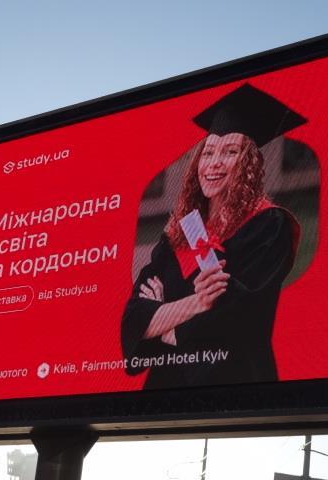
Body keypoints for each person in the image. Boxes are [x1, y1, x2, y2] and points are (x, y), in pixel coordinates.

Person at [121, 84, 305, 389]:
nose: (214, 162)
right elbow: (134, 318)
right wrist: (199, 303)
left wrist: (164, 322)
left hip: (234, 384)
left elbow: (241, 318)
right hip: (165, 387)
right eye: (207, 152)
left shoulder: (270, 226)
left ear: (249, 163)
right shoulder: (180, 233)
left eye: (230, 152)